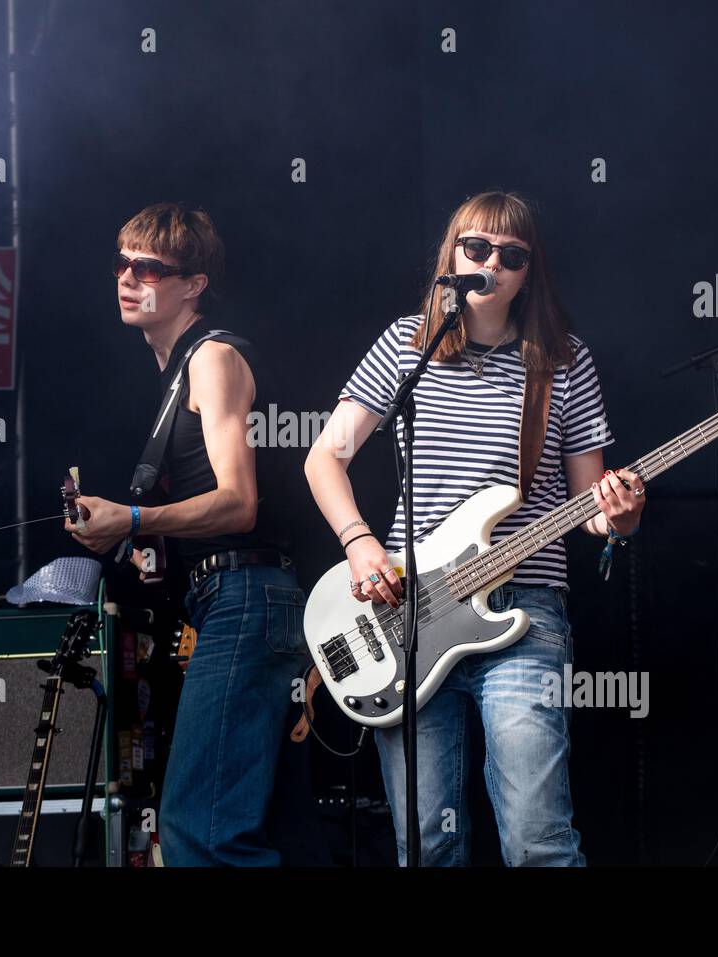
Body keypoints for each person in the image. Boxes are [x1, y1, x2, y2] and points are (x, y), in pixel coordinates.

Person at [303, 190, 645, 866]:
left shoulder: (562, 359)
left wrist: (620, 518)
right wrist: (361, 542)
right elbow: (325, 457)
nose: (492, 262)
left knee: (535, 835)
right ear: (452, 256)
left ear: (528, 271)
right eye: (477, 248)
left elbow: (592, 504)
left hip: (525, 610)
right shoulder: (407, 344)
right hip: (409, 613)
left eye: (511, 254)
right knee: (428, 841)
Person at [66, 202, 307, 865]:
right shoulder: (175, 373)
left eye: (150, 267)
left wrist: (135, 518)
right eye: (123, 262)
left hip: (245, 596)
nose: (128, 277)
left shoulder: (213, 357)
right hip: (226, 599)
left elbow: (238, 504)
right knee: (215, 825)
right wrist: (119, 529)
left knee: (202, 827)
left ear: (195, 283)